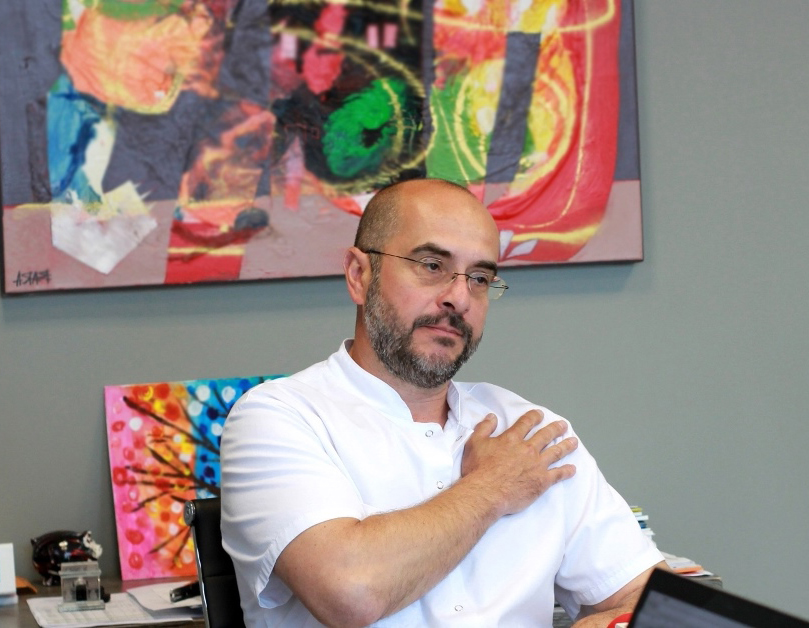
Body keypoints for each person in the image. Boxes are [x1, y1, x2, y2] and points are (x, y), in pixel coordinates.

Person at [220, 178, 666, 627]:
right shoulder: (278, 417)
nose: (459, 297)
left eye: (479, 278)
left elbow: (653, 600)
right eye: (432, 265)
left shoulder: (531, 430)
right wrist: (492, 487)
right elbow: (351, 592)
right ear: (359, 275)